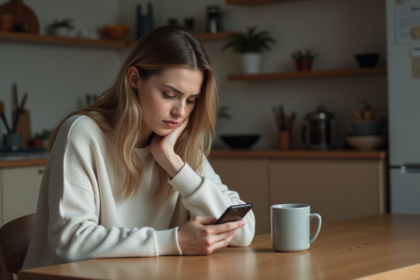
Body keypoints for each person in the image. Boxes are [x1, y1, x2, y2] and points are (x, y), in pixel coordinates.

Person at [22, 25, 255, 269]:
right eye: (169, 94)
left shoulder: (176, 146)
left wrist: (174, 165)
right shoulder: (83, 133)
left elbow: (243, 230)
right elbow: (69, 243)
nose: (181, 111)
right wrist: (173, 241)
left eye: (191, 100)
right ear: (134, 79)